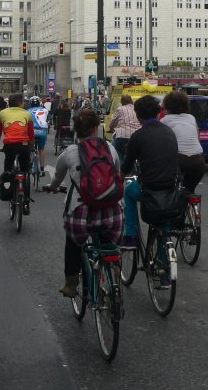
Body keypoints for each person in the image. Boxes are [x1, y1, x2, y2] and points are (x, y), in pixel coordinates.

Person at [42, 109, 123, 297]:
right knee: (109, 243)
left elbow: (58, 179)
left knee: (73, 243)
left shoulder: (69, 152)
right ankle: (113, 267)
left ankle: (71, 283)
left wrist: (53, 187)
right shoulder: (110, 149)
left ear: (76, 130)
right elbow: (117, 174)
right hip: (112, 214)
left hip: (81, 215)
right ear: (96, 128)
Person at [120, 94, 179, 247]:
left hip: (148, 189)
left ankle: (131, 234)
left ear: (138, 116)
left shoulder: (138, 136)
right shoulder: (169, 132)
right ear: (158, 112)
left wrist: (117, 179)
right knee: (163, 226)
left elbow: (126, 167)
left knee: (128, 192)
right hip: (169, 190)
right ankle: (164, 259)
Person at [0, 93, 34, 213]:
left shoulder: (2, 113)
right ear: (20, 103)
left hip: (9, 145)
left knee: (8, 169)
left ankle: (9, 190)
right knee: (25, 172)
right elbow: (31, 133)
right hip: (24, 146)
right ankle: (25, 201)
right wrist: (31, 147)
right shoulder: (27, 114)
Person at [161, 91, 205, 193]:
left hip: (178, 159)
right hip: (198, 160)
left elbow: (162, 143)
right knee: (189, 190)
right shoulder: (191, 118)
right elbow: (198, 138)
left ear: (167, 106)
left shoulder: (164, 121)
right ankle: (191, 204)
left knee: (172, 188)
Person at [108, 94, 140, 162]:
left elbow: (112, 124)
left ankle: (120, 167)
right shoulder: (137, 108)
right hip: (137, 136)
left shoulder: (120, 109)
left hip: (122, 136)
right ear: (131, 100)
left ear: (122, 102)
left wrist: (111, 129)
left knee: (116, 149)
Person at [27, 96, 49, 173]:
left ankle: (28, 165)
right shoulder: (45, 110)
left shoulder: (27, 111)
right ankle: (42, 168)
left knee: (28, 148)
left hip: (31, 132)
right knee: (41, 149)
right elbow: (48, 120)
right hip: (42, 132)